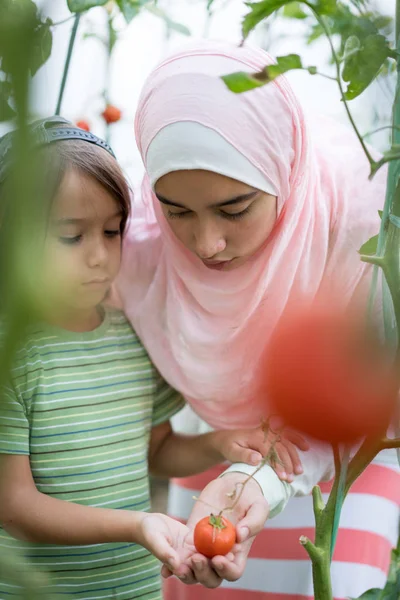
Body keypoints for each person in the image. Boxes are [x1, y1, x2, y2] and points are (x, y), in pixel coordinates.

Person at [116, 40, 400, 600]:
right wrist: (240, 469)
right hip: (218, 462)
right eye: (176, 210)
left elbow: (373, 395)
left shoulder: (360, 237)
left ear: (284, 169)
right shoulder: (140, 257)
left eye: (235, 208)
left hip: (351, 467)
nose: (206, 242)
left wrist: (268, 479)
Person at [0, 117, 305, 599]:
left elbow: (157, 451)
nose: (100, 256)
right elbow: (13, 506)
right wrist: (137, 526)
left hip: (134, 588)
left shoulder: (130, 335)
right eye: (70, 236)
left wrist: (220, 443)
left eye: (112, 231)